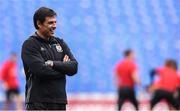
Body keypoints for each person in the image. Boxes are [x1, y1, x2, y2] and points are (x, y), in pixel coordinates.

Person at [21, 7, 78, 110]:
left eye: (55, 22)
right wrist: (63, 68)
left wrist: (53, 64)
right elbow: (41, 71)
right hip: (38, 103)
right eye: (50, 23)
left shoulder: (60, 43)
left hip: (60, 102)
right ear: (39, 24)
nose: (54, 26)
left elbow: (74, 67)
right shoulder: (30, 44)